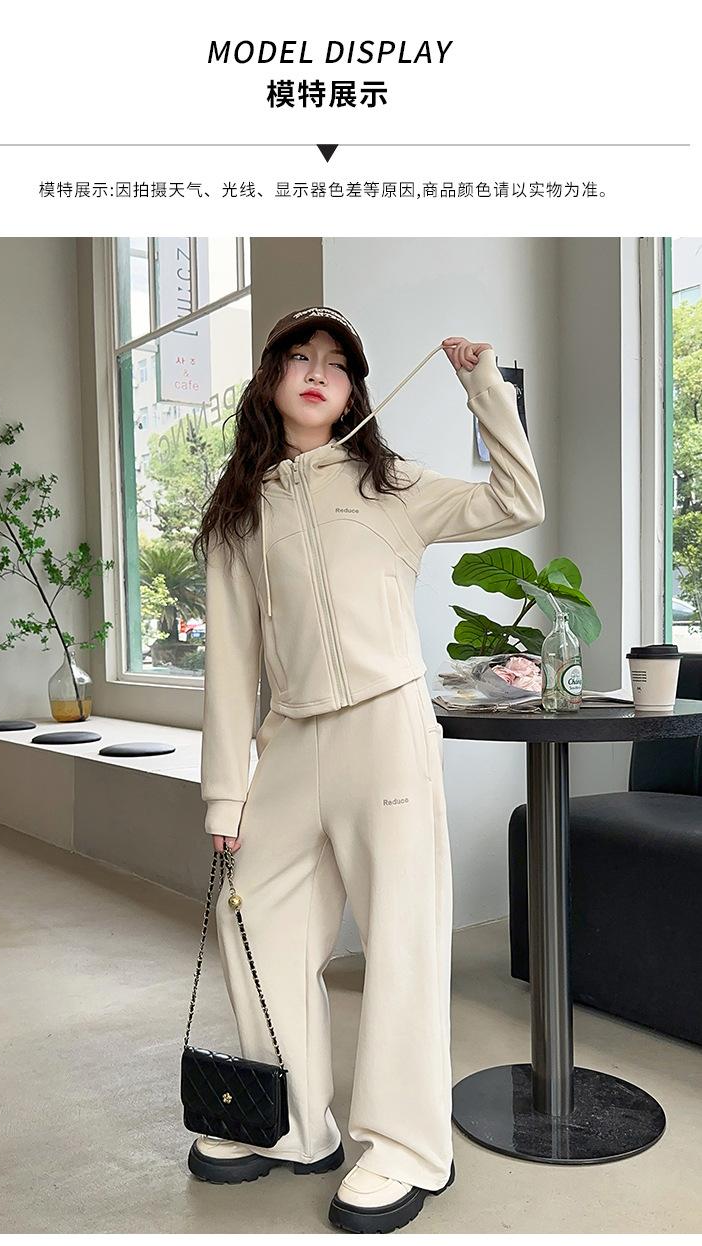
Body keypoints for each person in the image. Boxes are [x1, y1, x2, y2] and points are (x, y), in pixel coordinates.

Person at [187, 306, 546, 1233]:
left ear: (353, 391)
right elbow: (230, 660)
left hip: (385, 729)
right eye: (299, 357)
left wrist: (484, 386)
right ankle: (292, 1122)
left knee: (400, 936)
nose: (317, 372)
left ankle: (406, 1145)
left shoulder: (392, 484)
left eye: (336, 364)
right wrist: (225, 792)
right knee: (254, 921)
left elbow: (518, 503)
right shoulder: (238, 510)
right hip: (290, 739)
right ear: (271, 379)